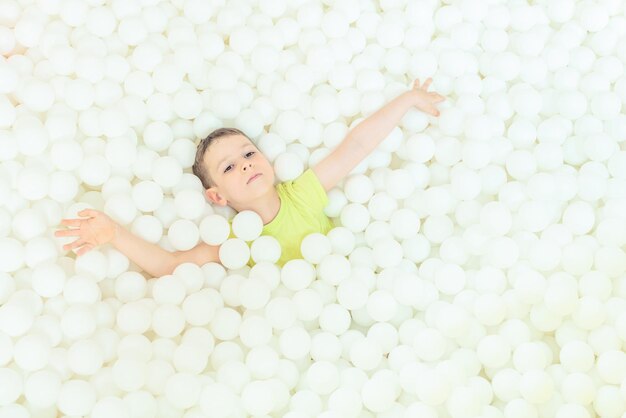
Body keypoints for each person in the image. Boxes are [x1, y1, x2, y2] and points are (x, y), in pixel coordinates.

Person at [55, 78, 445, 277]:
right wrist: (114, 234)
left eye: (248, 153)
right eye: (228, 167)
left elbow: (355, 147)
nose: (244, 164)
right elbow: (170, 266)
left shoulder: (302, 194)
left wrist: (407, 100)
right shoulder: (234, 241)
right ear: (217, 197)